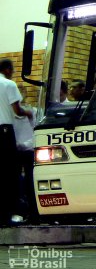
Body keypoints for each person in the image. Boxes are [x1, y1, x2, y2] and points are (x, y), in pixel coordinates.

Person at [0, 59, 32, 226]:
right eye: (12, 70)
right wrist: (28, 113)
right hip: (4, 131)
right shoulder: (9, 84)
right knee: (9, 173)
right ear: (7, 69)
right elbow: (17, 110)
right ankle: (7, 216)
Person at [14, 84, 36, 224]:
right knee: (16, 183)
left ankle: (33, 212)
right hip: (15, 151)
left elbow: (36, 131)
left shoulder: (32, 111)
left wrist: (26, 144)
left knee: (30, 182)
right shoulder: (9, 114)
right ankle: (19, 211)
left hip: (28, 151)